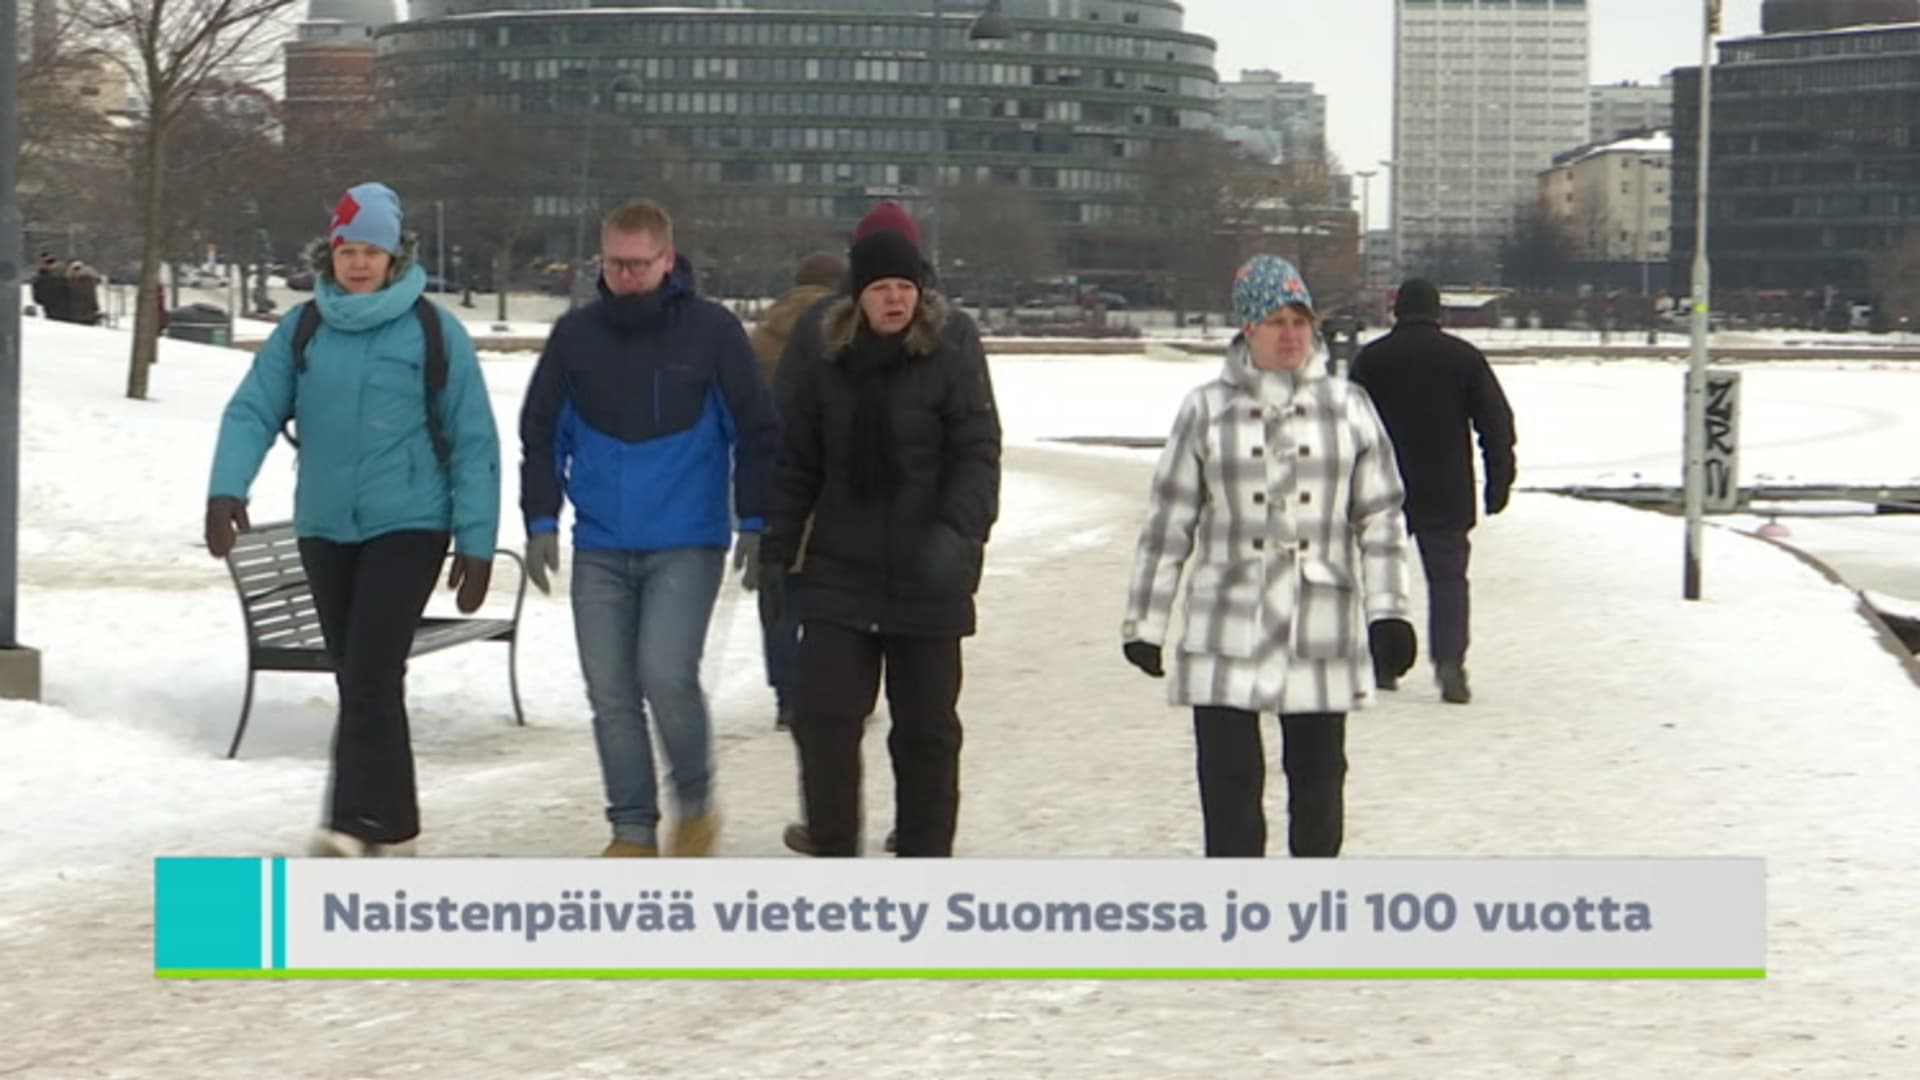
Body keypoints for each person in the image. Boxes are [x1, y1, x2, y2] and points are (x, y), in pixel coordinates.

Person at [204, 181, 502, 857]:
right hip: (325, 526)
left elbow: (473, 439)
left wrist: (476, 541)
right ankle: (392, 825)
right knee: (361, 674)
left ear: (395, 256)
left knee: (369, 668)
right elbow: (252, 409)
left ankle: (350, 822)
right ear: (330, 255)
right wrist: (226, 490)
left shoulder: (434, 331)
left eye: (371, 250)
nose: (359, 263)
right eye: (347, 250)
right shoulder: (303, 329)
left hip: (411, 523)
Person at [1120, 255, 1416, 859]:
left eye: (1300, 321)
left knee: (1319, 789)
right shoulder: (1205, 410)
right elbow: (1169, 521)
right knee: (1229, 790)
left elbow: (1382, 516)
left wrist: (1389, 611)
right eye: (1276, 321)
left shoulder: (1349, 407)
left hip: (1319, 618)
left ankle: (1308, 906)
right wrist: (1146, 622)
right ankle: (1239, 903)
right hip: (1226, 619)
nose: (1291, 335)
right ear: (1248, 328)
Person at [519, 198, 779, 858]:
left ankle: (694, 801)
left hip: (686, 542)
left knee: (665, 673)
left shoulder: (713, 333)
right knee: (610, 691)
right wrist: (542, 518)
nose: (626, 276)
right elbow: (541, 432)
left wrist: (755, 520)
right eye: (614, 264)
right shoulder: (575, 337)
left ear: (667, 259)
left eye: (639, 264)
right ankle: (631, 826)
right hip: (601, 544)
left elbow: (756, 429)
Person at [758, 223, 1001, 858]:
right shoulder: (824, 355)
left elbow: (977, 452)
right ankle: (836, 851)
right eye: (881, 288)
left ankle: (925, 858)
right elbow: (795, 461)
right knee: (823, 719)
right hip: (842, 571)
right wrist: (777, 548)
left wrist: (959, 531)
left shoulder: (950, 351)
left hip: (929, 573)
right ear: (857, 296)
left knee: (927, 732)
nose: (895, 299)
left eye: (905, 287)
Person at [1347, 278, 1516, 704]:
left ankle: (1384, 662)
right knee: (1448, 580)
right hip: (1447, 487)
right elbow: (1496, 423)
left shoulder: (1372, 359)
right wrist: (1499, 481)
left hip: (1382, 487)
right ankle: (1450, 664)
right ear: (1438, 312)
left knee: (1382, 575)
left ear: (1396, 311)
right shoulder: (1463, 358)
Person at [748, 250, 846, 730]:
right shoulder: (842, 333)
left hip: (771, 481)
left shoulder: (760, 339)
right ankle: (830, 690)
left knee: (779, 590)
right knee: (834, 595)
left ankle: (787, 695)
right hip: (831, 482)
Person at [31, 254, 69, 322]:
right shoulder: (39, 279)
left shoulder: (62, 277)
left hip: (66, 311)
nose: (51, 265)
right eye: (48, 263)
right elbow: (37, 298)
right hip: (51, 312)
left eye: (53, 262)